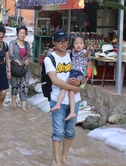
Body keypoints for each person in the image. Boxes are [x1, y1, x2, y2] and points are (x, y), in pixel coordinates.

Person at [43, 30, 81, 166]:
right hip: (57, 100)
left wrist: (79, 85)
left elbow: (81, 76)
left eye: (65, 41)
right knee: (58, 132)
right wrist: (75, 88)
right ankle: (58, 162)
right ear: (54, 42)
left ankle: (64, 157)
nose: (63, 43)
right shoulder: (50, 59)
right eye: (60, 41)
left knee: (70, 132)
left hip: (74, 100)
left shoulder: (73, 56)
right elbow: (55, 81)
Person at [50, 35, 92, 121]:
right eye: (76, 43)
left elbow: (86, 54)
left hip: (78, 73)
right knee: (71, 93)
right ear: (73, 45)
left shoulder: (83, 52)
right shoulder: (72, 52)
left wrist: (88, 50)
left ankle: (58, 104)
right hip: (73, 72)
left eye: (81, 43)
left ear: (84, 45)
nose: (78, 45)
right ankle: (72, 112)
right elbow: (68, 52)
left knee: (64, 86)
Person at [8, 25, 32, 111]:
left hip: (24, 68)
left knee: (24, 86)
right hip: (15, 68)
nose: (22, 35)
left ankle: (23, 106)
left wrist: (28, 60)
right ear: (17, 33)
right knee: (14, 86)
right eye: (21, 33)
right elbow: (10, 55)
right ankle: (14, 104)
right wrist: (16, 61)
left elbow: (29, 54)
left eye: (24, 33)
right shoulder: (12, 43)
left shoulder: (27, 44)